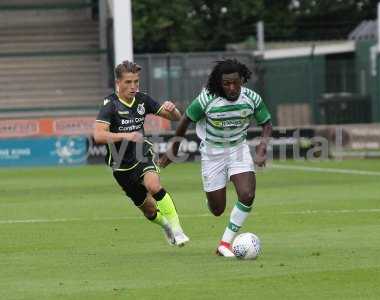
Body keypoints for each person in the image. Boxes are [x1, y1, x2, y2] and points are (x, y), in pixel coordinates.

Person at [159, 59, 272, 256]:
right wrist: (173, 150)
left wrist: (262, 148)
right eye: (226, 83)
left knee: (247, 195)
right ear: (219, 83)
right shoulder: (207, 99)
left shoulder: (251, 98)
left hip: (238, 149)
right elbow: (186, 120)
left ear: (242, 80)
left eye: (235, 82)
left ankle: (225, 244)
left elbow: (267, 123)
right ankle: (212, 198)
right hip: (212, 153)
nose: (232, 87)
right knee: (217, 209)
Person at [94, 60, 189, 246]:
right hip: (120, 165)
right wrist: (125, 136)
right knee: (149, 210)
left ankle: (178, 231)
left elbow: (177, 118)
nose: (133, 86)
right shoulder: (110, 105)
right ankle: (167, 227)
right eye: (128, 82)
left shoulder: (143, 100)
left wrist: (173, 109)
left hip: (141, 152)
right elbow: (98, 135)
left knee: (153, 186)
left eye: (136, 81)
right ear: (118, 83)